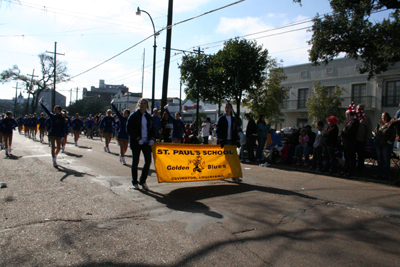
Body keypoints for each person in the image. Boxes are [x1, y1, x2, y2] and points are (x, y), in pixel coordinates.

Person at [127, 98, 156, 190]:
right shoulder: (133, 116)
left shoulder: (149, 117)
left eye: (145, 103)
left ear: (147, 105)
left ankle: (143, 180)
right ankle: (134, 182)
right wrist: (137, 138)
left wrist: (152, 139)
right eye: (141, 103)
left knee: (148, 161)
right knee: (135, 162)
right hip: (137, 142)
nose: (143, 105)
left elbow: (153, 129)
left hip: (146, 142)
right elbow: (129, 128)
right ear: (138, 105)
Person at [215, 102, 241, 183]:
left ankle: (234, 176)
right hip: (224, 142)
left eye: (228, 107)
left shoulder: (233, 119)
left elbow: (235, 130)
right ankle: (220, 173)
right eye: (226, 107)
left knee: (233, 160)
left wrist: (237, 140)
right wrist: (220, 140)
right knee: (224, 159)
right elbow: (217, 130)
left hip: (231, 142)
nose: (227, 109)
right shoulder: (221, 118)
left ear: (231, 109)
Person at [39, 98, 65, 167]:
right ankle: (54, 160)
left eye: (56, 109)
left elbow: (63, 126)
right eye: (54, 109)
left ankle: (55, 155)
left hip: (59, 133)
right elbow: (46, 111)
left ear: (59, 110)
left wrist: (63, 135)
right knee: (53, 147)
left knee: (59, 147)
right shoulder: (52, 116)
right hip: (52, 133)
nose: (55, 110)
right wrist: (41, 104)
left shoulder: (62, 118)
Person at [374, 112, 396, 179]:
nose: (384, 117)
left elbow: (393, 134)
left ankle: (386, 175)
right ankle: (379, 174)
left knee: (386, 160)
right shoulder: (379, 125)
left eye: (385, 116)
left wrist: (389, 141)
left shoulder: (390, 125)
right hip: (378, 144)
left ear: (388, 117)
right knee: (380, 160)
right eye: (382, 116)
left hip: (386, 145)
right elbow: (375, 132)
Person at [340, 107, 360, 176]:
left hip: (350, 142)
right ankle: (346, 169)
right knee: (346, 157)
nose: (347, 116)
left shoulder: (354, 122)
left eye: (347, 115)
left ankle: (351, 170)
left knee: (351, 157)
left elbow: (349, 131)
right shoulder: (348, 122)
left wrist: (343, 133)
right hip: (346, 141)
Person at [111, 100, 130, 165]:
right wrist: (112, 104)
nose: (124, 113)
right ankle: (123, 159)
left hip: (126, 135)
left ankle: (122, 155)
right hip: (121, 134)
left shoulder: (130, 119)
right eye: (124, 112)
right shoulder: (121, 118)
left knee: (125, 149)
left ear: (128, 114)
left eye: (125, 113)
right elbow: (117, 111)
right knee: (122, 147)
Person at [355, 104, 372, 173]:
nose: (360, 110)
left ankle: (360, 170)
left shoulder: (366, 118)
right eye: (358, 109)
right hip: (353, 140)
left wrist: (367, 139)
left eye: (361, 109)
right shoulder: (353, 117)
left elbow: (369, 129)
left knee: (361, 156)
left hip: (361, 140)